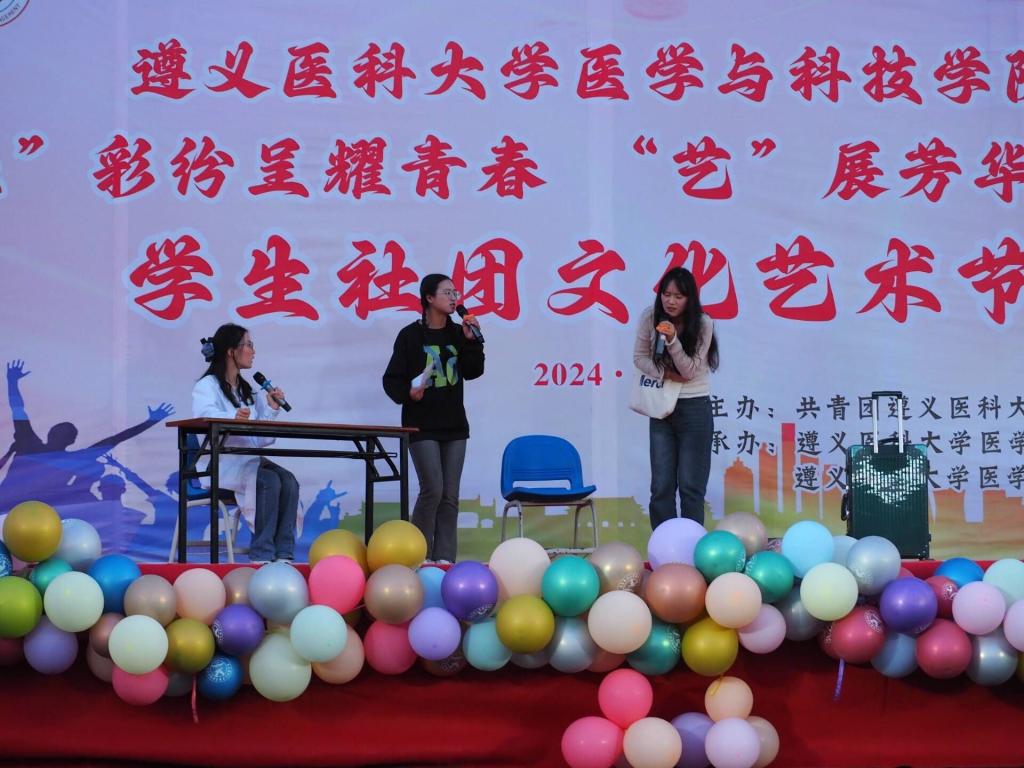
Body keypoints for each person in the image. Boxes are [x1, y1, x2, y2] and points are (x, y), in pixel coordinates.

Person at [382, 274, 485, 564]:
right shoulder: (410, 335)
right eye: (447, 293)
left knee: (450, 495)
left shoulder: (458, 333)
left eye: (455, 293)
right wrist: (409, 393)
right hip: (421, 425)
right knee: (433, 490)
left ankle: (445, 560)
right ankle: (419, 556)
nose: (454, 298)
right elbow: (391, 379)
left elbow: (474, 371)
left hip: (455, 426)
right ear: (429, 298)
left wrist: (472, 342)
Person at [192, 323, 297, 564]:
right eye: (248, 345)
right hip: (222, 464)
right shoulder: (207, 386)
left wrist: (272, 409)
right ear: (231, 351)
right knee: (269, 481)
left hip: (248, 460)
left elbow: (260, 439)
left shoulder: (247, 390)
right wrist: (233, 417)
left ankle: (284, 553)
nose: (253, 351)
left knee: (289, 480)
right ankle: (262, 554)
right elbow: (203, 417)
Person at [633, 267, 719, 529]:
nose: (670, 301)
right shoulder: (650, 317)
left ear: (690, 299)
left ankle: (692, 547)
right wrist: (665, 373)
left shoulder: (703, 324)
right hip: (662, 407)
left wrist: (672, 340)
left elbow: (689, 371)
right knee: (661, 486)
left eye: (678, 296)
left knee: (691, 486)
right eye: (666, 294)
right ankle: (664, 545)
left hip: (695, 408)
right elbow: (639, 358)